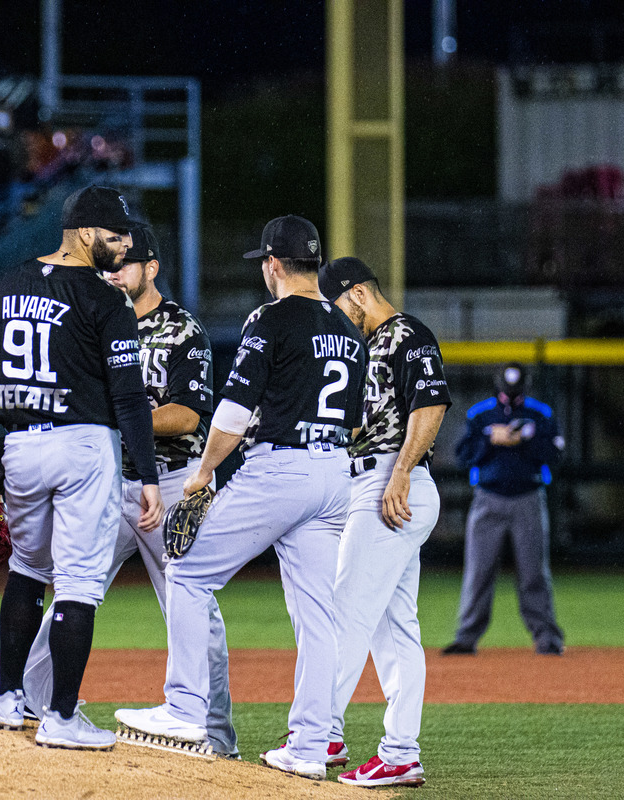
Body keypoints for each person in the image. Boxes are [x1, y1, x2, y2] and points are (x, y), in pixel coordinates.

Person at [114, 215, 367, 782]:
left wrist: (205, 471)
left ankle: (183, 708)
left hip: (280, 466)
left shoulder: (271, 318)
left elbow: (231, 412)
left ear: (274, 264)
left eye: (264, 263)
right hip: (334, 474)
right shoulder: (348, 330)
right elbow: (356, 420)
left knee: (186, 569)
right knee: (318, 618)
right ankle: (309, 745)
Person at [13, 226, 238, 757]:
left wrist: (117, 420)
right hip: (108, 484)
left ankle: (217, 733)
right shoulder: (94, 320)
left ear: (151, 268)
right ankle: (30, 697)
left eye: (124, 263)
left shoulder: (181, 329)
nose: (112, 272)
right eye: (108, 263)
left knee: (193, 607)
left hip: (174, 487)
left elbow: (187, 416)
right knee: (72, 589)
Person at [0, 185, 162, 750]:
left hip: (20, 446)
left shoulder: (8, 281)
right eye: (114, 235)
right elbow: (129, 398)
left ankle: (7, 697)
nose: (122, 247)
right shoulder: (104, 301)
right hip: (82, 447)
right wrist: (147, 475)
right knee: (76, 581)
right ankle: (64, 717)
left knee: (26, 566)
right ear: (81, 231)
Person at [317, 257, 450, 788]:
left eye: (335, 305)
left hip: (393, 483)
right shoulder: (369, 345)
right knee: (394, 630)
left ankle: (319, 732)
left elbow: (431, 404)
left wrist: (400, 473)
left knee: (345, 609)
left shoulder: (406, 333)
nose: (334, 317)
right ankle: (400, 752)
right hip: (377, 481)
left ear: (356, 295)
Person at [444, 362, 565, 656]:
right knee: (478, 570)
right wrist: (490, 439)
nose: (511, 396)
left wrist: (525, 440)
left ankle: (547, 636)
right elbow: (462, 455)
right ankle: (466, 636)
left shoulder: (540, 413)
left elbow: (555, 454)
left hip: (529, 497)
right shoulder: (480, 414)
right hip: (488, 498)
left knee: (533, 572)